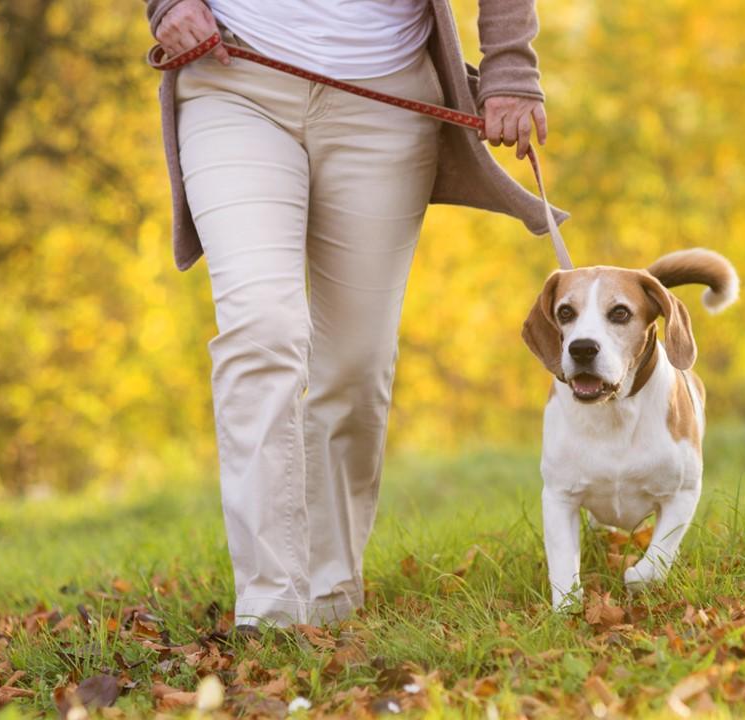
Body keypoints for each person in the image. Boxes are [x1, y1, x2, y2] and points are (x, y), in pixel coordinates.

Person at [144, 0, 567, 628]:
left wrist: (509, 70)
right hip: (234, 79)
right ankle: (271, 605)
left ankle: (329, 592)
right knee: (262, 329)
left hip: (384, 101)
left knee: (356, 365)